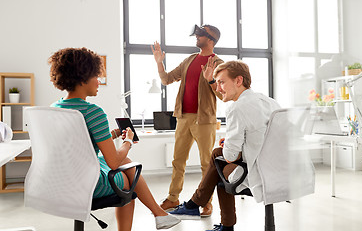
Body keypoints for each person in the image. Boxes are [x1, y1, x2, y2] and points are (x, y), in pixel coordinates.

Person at [48, 47, 180, 231]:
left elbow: (79, 142)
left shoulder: (55, 108)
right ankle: (158, 215)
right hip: (87, 184)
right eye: (96, 76)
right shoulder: (93, 112)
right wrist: (127, 141)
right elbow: (113, 161)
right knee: (128, 182)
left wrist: (114, 135)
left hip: (59, 181)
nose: (99, 81)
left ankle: (160, 214)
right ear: (82, 77)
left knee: (126, 163)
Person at [168, 60, 281, 231]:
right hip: (277, 167)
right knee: (217, 155)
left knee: (219, 164)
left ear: (238, 81)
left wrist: (229, 144)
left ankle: (197, 206)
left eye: (221, 82)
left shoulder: (237, 108)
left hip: (258, 172)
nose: (218, 88)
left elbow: (230, 156)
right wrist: (231, 144)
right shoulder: (269, 102)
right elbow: (263, 137)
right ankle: (198, 207)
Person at [151, 24, 224, 216]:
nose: (196, 37)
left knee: (206, 164)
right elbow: (167, 79)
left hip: (205, 120)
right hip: (183, 118)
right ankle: (173, 198)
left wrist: (211, 80)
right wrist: (159, 62)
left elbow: (223, 94)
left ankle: (206, 202)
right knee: (178, 161)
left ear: (210, 39)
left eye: (200, 35)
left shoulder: (218, 63)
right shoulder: (189, 60)